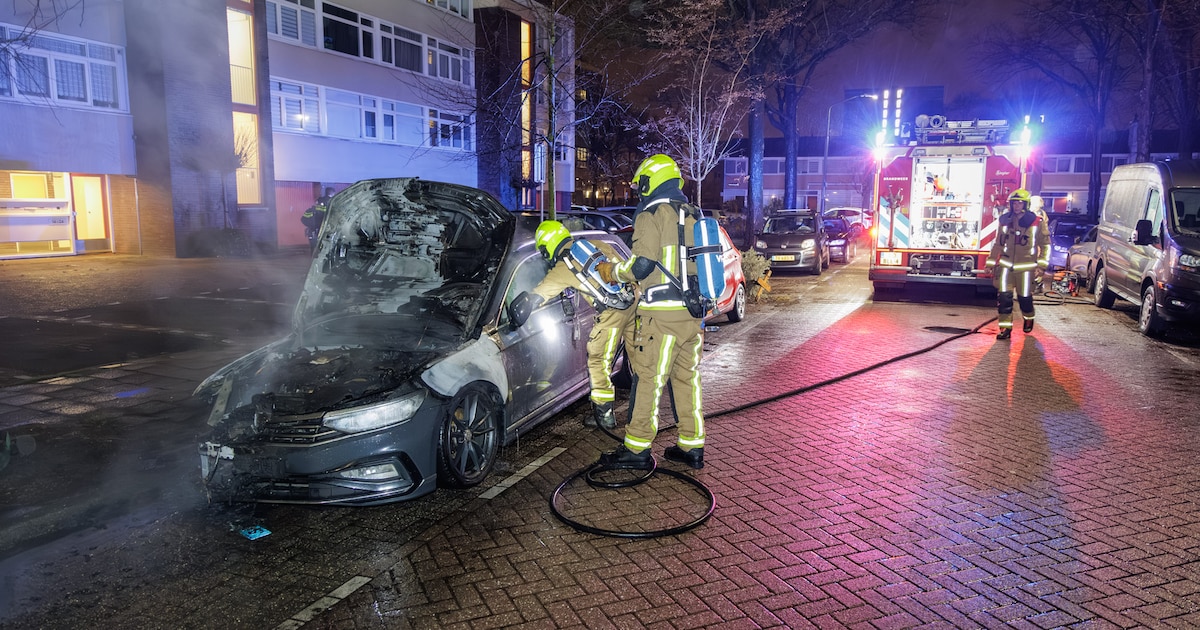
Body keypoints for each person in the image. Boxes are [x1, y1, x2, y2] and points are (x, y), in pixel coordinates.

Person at [593, 153, 707, 470]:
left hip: (662, 316)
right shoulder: (692, 213)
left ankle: (637, 449)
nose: (638, 189)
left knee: (649, 380)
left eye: (640, 183)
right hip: (692, 314)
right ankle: (691, 444)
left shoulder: (652, 214)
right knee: (686, 379)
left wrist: (611, 271)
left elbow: (641, 266)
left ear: (650, 180)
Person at [509, 221, 637, 430]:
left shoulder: (564, 267)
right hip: (634, 302)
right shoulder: (596, 243)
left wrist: (520, 308)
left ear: (546, 246)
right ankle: (643, 410)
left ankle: (604, 417)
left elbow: (540, 294)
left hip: (612, 313)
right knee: (639, 357)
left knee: (598, 360)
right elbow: (625, 264)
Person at [986, 188, 1050, 340]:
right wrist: (990, 262)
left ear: (1026, 205)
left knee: (1024, 298)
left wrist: (1041, 266)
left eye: (1020, 203)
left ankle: (1028, 318)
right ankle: (1005, 329)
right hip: (1006, 267)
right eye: (1014, 203)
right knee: (1004, 299)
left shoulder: (1036, 222)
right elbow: (998, 244)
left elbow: (1046, 245)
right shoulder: (1005, 221)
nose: (1016, 206)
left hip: (1026, 269)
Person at [301, 187, 335, 253]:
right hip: (323, 225)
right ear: (331, 193)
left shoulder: (319, 201)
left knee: (314, 245)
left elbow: (304, 219)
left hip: (315, 227)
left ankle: (313, 255)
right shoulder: (331, 201)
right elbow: (327, 213)